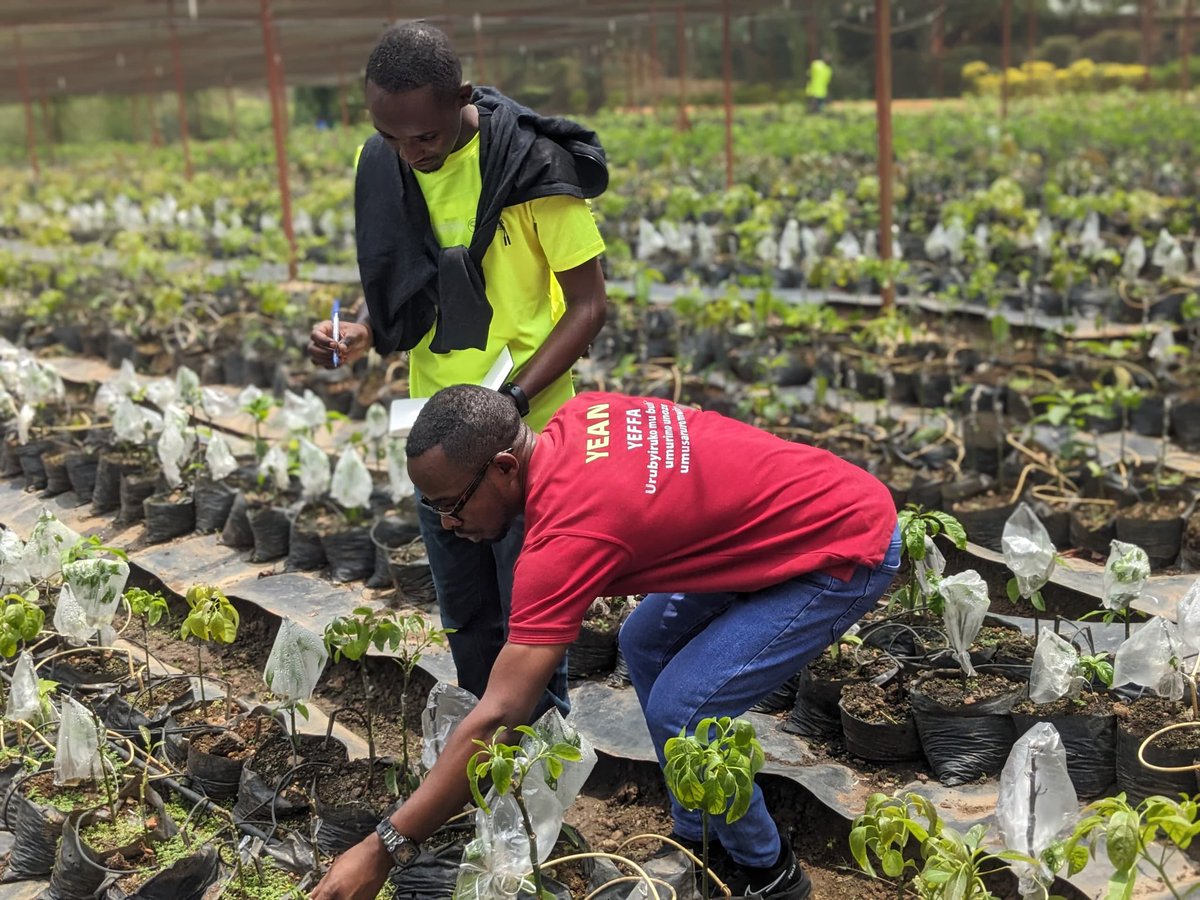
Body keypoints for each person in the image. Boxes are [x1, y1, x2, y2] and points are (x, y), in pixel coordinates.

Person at [311, 386, 901, 900]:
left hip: (844, 546)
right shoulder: (579, 416)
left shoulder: (565, 538)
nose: (447, 524)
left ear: (503, 467)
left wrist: (383, 847)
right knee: (644, 639)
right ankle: (697, 829)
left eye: (451, 504)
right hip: (790, 517)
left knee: (685, 709)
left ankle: (769, 872)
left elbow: (498, 718)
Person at [307, 22, 609, 720]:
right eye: (390, 137)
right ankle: (487, 755)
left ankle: (541, 759)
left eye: (424, 139)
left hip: (526, 435)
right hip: (435, 437)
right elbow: (404, 281)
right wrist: (361, 330)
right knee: (468, 614)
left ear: (462, 100)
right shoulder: (384, 167)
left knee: (530, 618)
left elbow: (588, 307)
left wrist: (510, 402)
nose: (409, 154)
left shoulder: (534, 168)